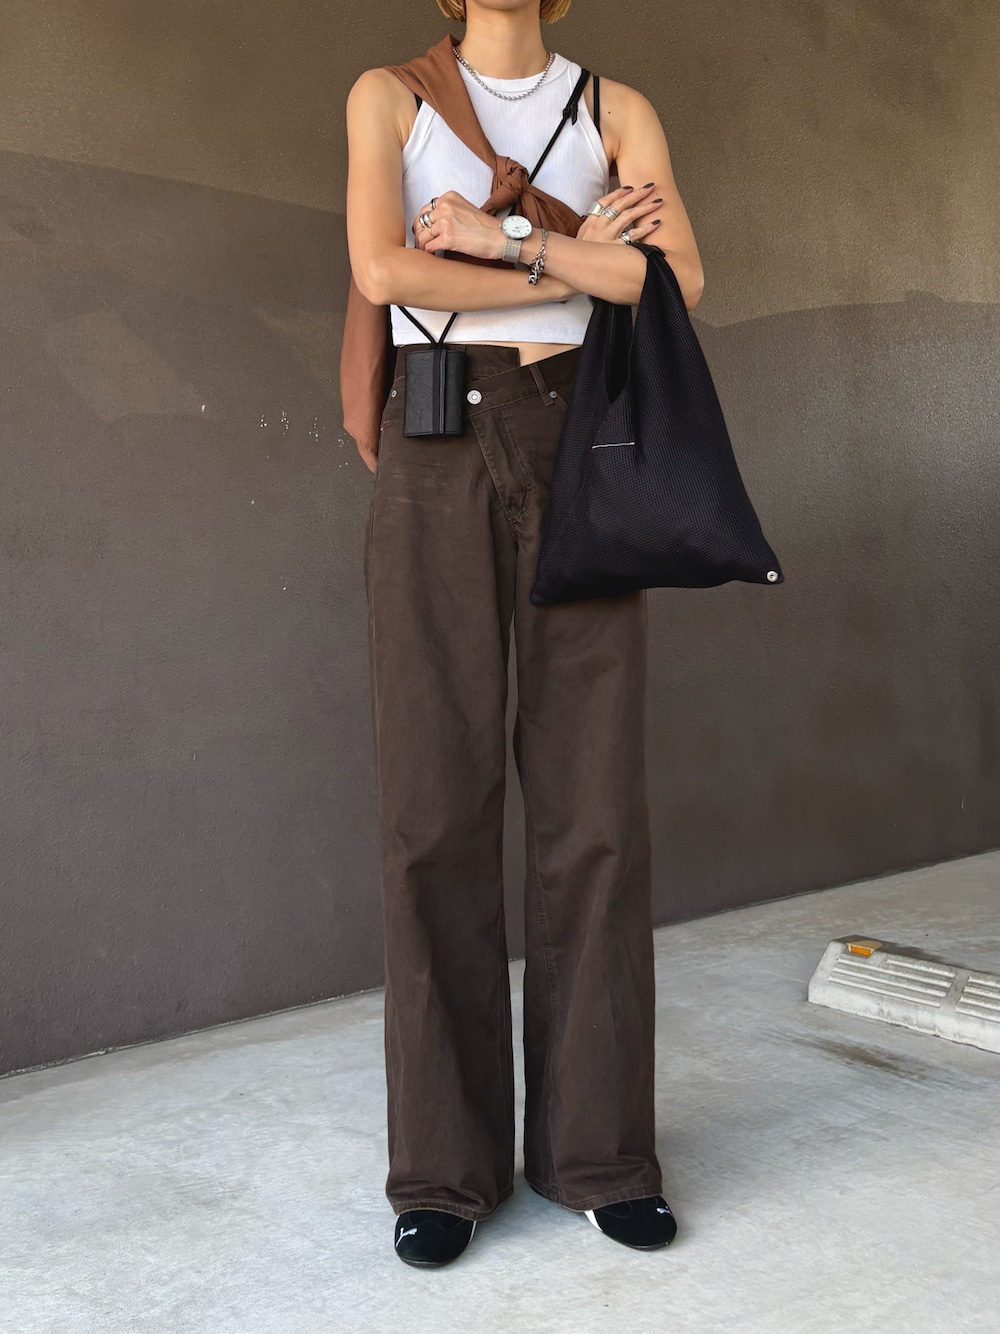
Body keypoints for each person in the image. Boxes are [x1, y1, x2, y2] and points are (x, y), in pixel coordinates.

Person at [345, 0, 704, 1268]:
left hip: (579, 439)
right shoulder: (388, 95)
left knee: (592, 803)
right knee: (431, 807)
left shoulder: (616, 108)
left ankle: (597, 1153)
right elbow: (386, 272)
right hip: (435, 441)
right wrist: (575, 258)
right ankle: (443, 1170)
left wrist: (501, 237)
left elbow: (676, 282)